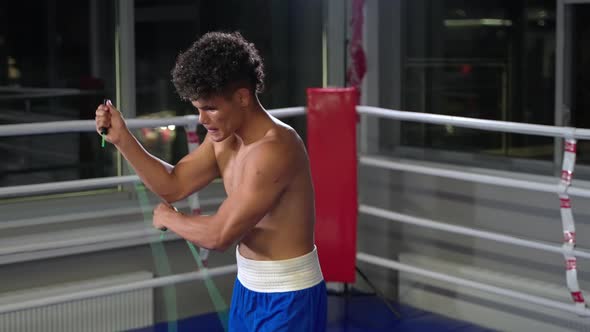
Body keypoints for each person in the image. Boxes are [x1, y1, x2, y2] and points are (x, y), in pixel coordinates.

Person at [95, 31, 327, 331]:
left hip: (289, 296)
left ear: (242, 97)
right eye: (198, 109)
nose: (203, 120)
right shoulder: (224, 140)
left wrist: (170, 218)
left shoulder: (275, 148)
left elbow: (220, 235)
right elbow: (174, 184)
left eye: (211, 108)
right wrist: (122, 139)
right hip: (248, 288)